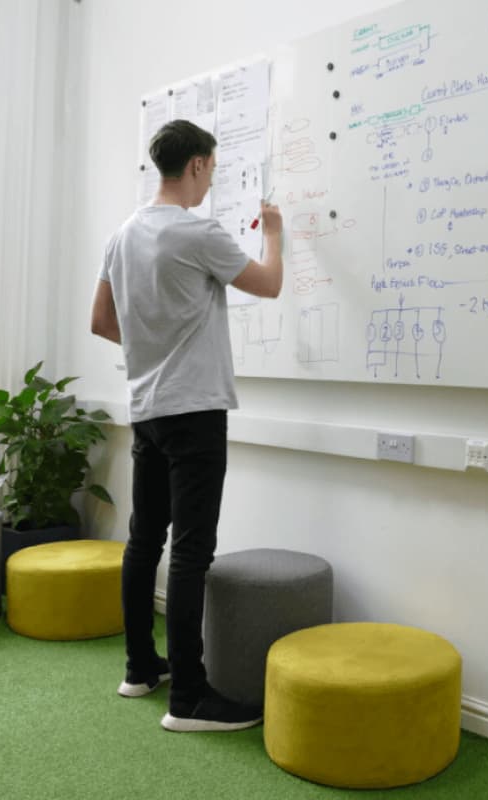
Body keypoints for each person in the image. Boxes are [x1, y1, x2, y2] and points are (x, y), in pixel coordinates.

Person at [90, 119, 283, 732]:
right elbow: (270, 284)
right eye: (212, 169)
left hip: (146, 410)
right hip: (195, 411)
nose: (211, 182)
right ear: (197, 165)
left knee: (144, 541)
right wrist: (274, 234)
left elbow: (102, 320)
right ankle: (190, 698)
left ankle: (140, 668)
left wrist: (154, 342)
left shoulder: (122, 236)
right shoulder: (198, 232)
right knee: (193, 551)